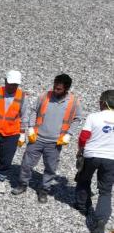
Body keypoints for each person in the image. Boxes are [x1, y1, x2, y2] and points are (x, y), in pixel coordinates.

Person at [12, 74, 82, 203]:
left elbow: (77, 119)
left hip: (55, 142)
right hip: (37, 138)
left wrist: (69, 134)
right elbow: (34, 110)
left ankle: (44, 189)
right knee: (27, 163)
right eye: (54, 87)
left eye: (59, 89)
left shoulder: (74, 102)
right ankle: (22, 184)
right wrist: (31, 127)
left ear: (66, 89)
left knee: (50, 168)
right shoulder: (44, 96)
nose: (55, 90)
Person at [75, 90, 114, 233]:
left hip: (92, 154)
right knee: (105, 191)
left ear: (103, 103)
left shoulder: (94, 117)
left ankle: (83, 206)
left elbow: (84, 137)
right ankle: (101, 220)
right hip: (111, 158)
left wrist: (80, 149)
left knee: (84, 179)